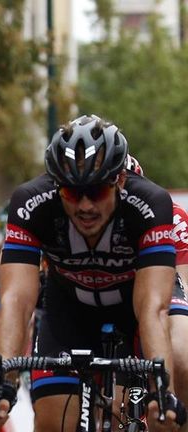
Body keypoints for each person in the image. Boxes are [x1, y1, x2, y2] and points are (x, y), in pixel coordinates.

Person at [0, 115, 184, 431]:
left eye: (97, 191)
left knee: (173, 376)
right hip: (69, 308)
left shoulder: (149, 203)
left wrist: (163, 389)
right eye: (73, 194)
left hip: (134, 308)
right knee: (51, 421)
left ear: (120, 181)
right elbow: (16, 301)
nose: (85, 206)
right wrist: (2, 384)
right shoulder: (32, 203)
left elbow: (152, 310)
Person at [127, 154, 188, 431]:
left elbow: (184, 280)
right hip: (115, 294)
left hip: (163, 286)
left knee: (181, 355)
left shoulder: (172, 215)